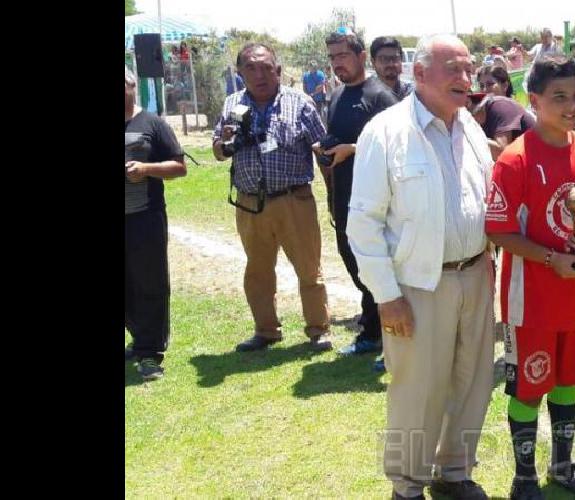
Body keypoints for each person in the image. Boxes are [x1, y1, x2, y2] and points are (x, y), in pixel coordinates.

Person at [347, 34, 495, 500]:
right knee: (417, 389)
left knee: (471, 381)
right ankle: (407, 485)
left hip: (476, 274)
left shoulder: (469, 127)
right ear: (419, 74)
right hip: (417, 286)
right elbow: (364, 223)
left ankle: (454, 473)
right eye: (453, 68)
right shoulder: (385, 131)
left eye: (468, 68)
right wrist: (387, 296)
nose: (465, 78)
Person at [485, 54, 575, 500]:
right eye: (559, 97)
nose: (571, 105)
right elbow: (497, 229)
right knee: (530, 386)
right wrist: (548, 259)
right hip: (529, 300)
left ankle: (561, 467)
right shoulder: (514, 160)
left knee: (568, 380)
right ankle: (523, 478)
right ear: (533, 100)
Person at [212, 43, 334, 353]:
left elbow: (323, 150)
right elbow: (219, 152)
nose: (260, 74)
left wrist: (334, 195)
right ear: (240, 73)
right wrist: (224, 141)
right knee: (257, 270)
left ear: (278, 70)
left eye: (266, 67)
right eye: (251, 68)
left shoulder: (300, 103)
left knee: (309, 268)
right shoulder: (231, 104)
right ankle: (266, 331)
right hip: (250, 202)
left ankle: (318, 330)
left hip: (295, 200)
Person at [312, 31, 400, 365]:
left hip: (378, 201)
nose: (337, 63)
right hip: (345, 196)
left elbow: (398, 145)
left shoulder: (381, 97)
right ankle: (372, 332)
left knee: (381, 266)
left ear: (361, 57)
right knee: (356, 264)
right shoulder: (335, 96)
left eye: (343, 56)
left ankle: (393, 342)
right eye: (332, 57)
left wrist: (352, 149)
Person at [125, 66, 187, 381]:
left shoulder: (152, 123)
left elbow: (179, 166)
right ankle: (139, 338)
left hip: (144, 217)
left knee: (149, 283)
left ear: (132, 85)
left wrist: (146, 168)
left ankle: (150, 353)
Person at [467, 92, 535, 161]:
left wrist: (469, 137)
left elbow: (502, 152)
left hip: (536, 159)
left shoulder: (499, 106)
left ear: (468, 103)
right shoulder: (478, 122)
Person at [371, 36, 415, 100]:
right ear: (373, 62)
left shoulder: (413, 95)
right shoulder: (364, 97)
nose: (391, 64)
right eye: (384, 59)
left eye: (395, 58)